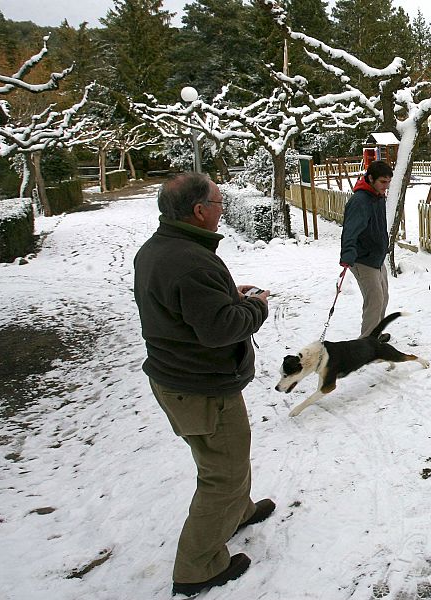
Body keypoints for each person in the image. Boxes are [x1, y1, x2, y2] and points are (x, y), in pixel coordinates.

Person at [133, 173, 275, 597]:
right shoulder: (190, 260)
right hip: (200, 388)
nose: (223, 207)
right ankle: (197, 567)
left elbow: (183, 306)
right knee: (222, 474)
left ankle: (238, 511)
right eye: (218, 201)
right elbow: (220, 329)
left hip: (190, 381)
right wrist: (255, 307)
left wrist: (226, 293)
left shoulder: (162, 249)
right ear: (199, 211)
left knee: (230, 453)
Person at [340, 160, 393, 340]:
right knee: (374, 301)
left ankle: (375, 336)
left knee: (383, 298)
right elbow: (350, 230)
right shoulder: (360, 201)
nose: (386, 187)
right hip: (363, 260)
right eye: (382, 182)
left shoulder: (377, 197)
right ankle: (367, 344)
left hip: (377, 259)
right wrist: (347, 255)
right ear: (371, 178)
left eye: (388, 182)